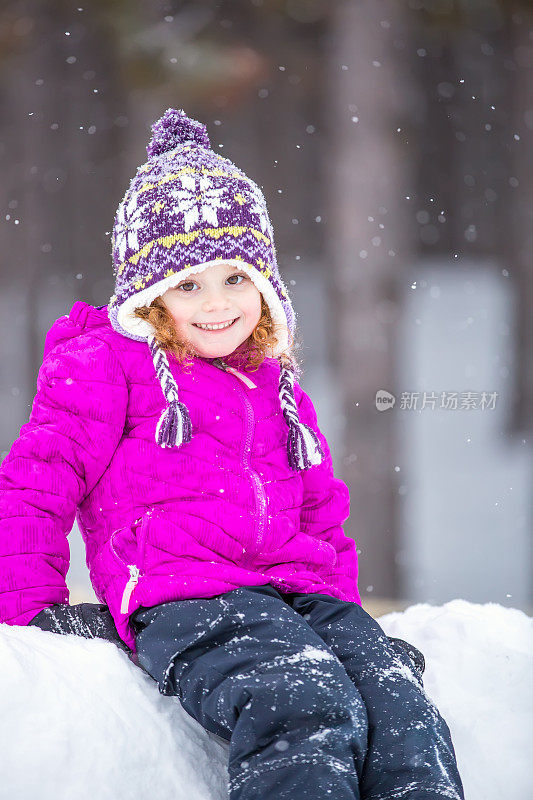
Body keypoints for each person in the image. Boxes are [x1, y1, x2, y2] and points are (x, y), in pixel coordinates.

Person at [0, 108, 464, 800]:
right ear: (149, 293)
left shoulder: (272, 379)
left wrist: (351, 629)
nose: (217, 304)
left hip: (296, 591)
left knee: (402, 713)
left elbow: (318, 512)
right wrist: (30, 607)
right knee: (302, 704)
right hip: (183, 592)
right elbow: (35, 485)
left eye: (235, 278)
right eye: (187, 284)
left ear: (265, 283)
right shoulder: (103, 364)